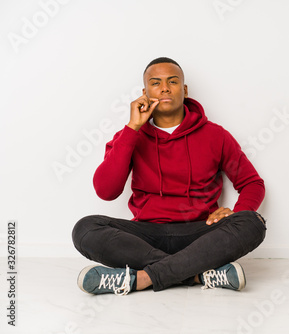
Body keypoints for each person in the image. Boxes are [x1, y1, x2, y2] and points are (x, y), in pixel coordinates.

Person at [72, 57, 266, 296]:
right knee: (85, 228)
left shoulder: (216, 135)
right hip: (145, 236)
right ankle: (197, 274)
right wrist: (132, 129)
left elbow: (252, 183)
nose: (165, 87)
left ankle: (141, 279)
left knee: (252, 222)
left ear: (184, 90)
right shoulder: (130, 135)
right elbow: (106, 191)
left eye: (172, 81)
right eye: (156, 83)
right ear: (145, 92)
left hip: (200, 233)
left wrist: (236, 211)